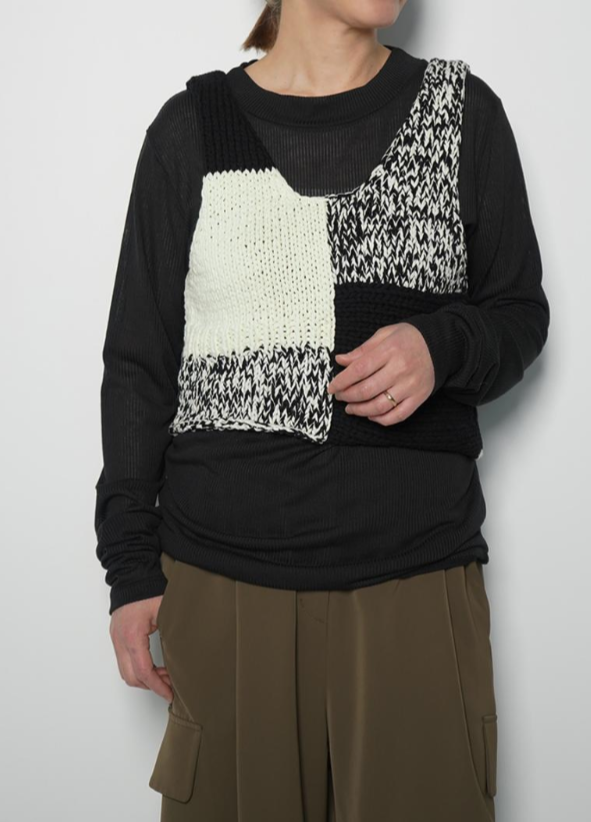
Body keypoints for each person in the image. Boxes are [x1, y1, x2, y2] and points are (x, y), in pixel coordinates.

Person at [94, 1, 550, 820]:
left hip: (416, 584)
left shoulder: (463, 113)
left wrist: (441, 345)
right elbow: (138, 365)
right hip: (223, 588)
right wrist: (129, 569)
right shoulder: (190, 129)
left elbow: (520, 313)